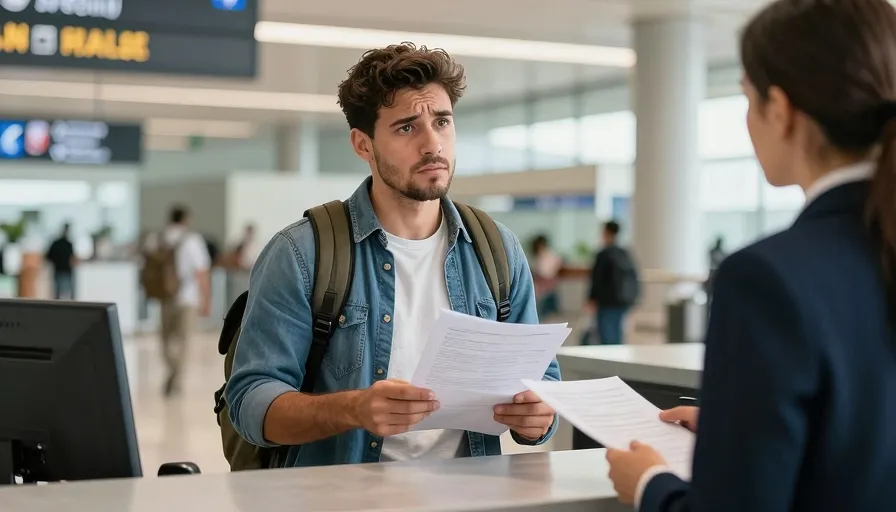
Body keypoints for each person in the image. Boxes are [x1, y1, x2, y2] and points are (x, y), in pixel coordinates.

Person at [606, 1, 896, 510]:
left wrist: (650, 483)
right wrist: (741, 430)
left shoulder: (766, 278)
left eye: (747, 98)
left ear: (780, 110)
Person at [225, 43, 560, 468]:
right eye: (406, 128)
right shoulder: (302, 253)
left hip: (470, 490)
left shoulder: (496, 249)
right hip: (341, 493)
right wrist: (352, 409)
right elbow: (251, 403)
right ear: (363, 145)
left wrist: (537, 416)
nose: (432, 144)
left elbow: (542, 381)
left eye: (442, 122)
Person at [145, 206, 211, 397]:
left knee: (165, 340)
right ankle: (176, 378)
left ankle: (172, 371)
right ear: (185, 219)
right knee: (184, 341)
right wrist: (206, 299)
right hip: (188, 299)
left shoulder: (157, 238)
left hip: (165, 297)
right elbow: (201, 272)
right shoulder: (193, 240)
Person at [586, 221, 639, 345]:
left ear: (606, 232)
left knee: (606, 336)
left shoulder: (603, 254)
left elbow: (597, 279)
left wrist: (591, 298)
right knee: (617, 334)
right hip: (622, 301)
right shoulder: (624, 253)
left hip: (606, 302)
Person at [530, 234, 563, 319]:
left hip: (546, 285)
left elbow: (545, 272)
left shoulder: (549, 255)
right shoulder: (537, 256)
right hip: (541, 286)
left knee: (544, 308)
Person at [45, 222, 76, 299]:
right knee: (65, 293)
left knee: (60, 294)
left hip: (61, 270)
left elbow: (48, 257)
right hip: (62, 270)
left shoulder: (61, 244)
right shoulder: (66, 244)